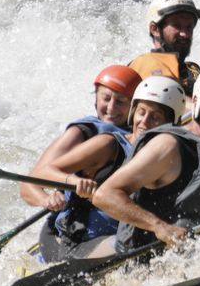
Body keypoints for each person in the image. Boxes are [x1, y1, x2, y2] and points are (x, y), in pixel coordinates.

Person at [91, 68, 200, 255]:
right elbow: (105, 195)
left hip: (194, 259)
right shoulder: (168, 146)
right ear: (197, 103)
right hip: (143, 262)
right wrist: (159, 226)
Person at [33, 77, 186, 261]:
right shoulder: (108, 145)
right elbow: (43, 172)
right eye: (141, 112)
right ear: (133, 113)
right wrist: (75, 181)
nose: (144, 122)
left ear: (170, 125)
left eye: (155, 117)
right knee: (129, 245)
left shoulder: (169, 156)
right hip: (79, 241)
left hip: (121, 239)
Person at [19, 65, 142, 212]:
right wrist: (47, 199)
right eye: (106, 98)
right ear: (96, 98)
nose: (111, 108)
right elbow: (28, 185)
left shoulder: (140, 132)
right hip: (76, 222)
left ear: (134, 106)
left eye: (120, 101)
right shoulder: (82, 132)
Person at [129, 0, 200, 97]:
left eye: (189, 27)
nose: (185, 34)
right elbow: (173, 100)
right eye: (176, 26)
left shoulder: (190, 70)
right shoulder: (147, 62)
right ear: (155, 29)